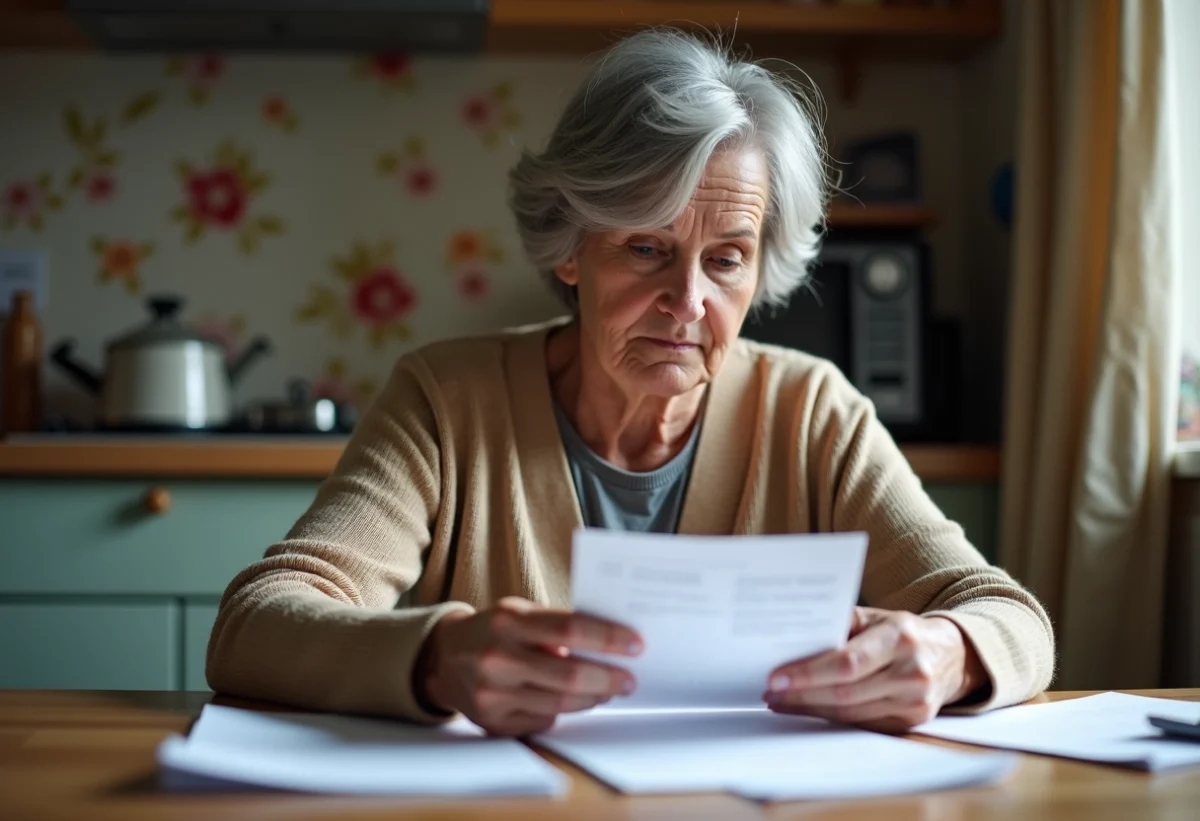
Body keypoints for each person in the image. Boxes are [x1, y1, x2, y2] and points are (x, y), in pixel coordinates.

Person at [207, 28, 1055, 737]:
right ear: (571, 248)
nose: (688, 301)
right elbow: (255, 623)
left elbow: (1007, 614)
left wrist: (949, 652)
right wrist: (435, 657)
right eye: (647, 247)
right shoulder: (446, 400)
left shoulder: (814, 412)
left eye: (727, 259)